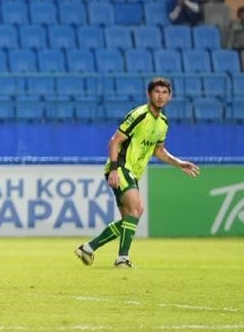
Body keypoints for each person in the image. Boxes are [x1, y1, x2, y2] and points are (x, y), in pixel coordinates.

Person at [74, 78, 199, 269]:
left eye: (165, 93)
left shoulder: (163, 123)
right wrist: (115, 169)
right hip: (121, 167)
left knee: (128, 220)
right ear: (149, 94)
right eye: (157, 92)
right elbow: (114, 142)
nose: (161, 96)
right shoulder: (139, 115)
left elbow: (159, 151)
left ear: (170, 96)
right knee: (137, 209)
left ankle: (88, 248)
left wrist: (179, 163)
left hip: (132, 172)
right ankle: (122, 258)